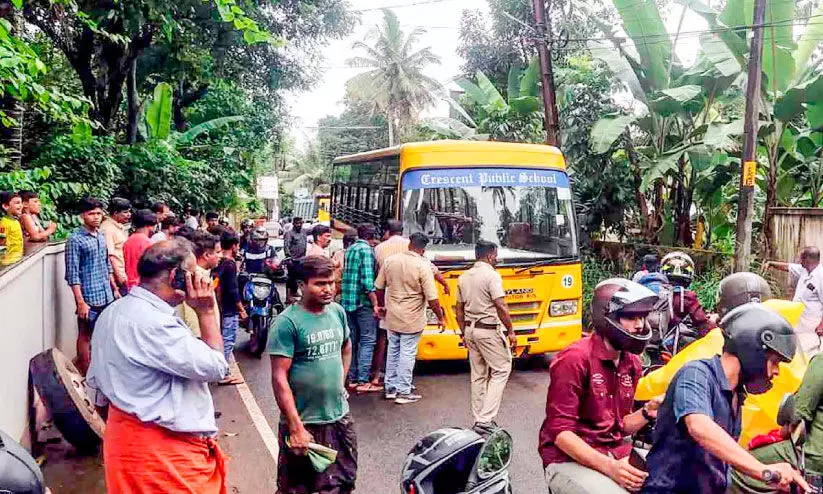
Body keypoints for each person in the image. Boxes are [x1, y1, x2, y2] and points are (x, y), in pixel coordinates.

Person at [86, 239, 229, 494]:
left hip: (126, 445)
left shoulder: (113, 311)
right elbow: (217, 367)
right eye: (193, 273)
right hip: (163, 456)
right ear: (176, 276)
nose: (200, 279)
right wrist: (206, 312)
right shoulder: (154, 323)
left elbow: (96, 387)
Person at [642, 304, 807, 494]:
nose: (776, 371)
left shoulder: (736, 395)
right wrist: (765, 472)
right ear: (754, 351)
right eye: (775, 362)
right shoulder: (696, 374)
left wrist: (773, 474)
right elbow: (699, 426)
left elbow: (722, 460)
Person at [540, 278, 661, 493]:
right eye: (631, 317)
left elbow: (618, 425)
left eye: (642, 317)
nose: (640, 325)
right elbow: (560, 433)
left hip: (612, 451)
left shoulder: (631, 362)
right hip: (566, 459)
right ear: (609, 317)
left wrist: (647, 411)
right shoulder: (575, 359)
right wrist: (611, 468)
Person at [269, 256, 357, 494]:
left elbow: (346, 346)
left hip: (339, 418)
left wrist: (340, 382)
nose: (328, 289)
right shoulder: (287, 323)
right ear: (301, 285)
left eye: (331, 282)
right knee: (297, 489)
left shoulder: (337, 312)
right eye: (320, 283)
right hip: (305, 422)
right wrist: (296, 427)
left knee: (343, 482)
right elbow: (279, 378)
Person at [375, 233, 444, 404]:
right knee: (407, 352)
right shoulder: (422, 265)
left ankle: (390, 388)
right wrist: (440, 318)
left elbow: (378, 287)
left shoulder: (391, 261)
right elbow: (432, 298)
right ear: (423, 249)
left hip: (392, 315)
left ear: (409, 245)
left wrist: (382, 305)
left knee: (393, 350)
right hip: (411, 318)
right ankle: (404, 391)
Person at [455, 240, 515, 435]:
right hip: (488, 330)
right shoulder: (491, 275)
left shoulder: (464, 277)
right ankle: (485, 419)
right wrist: (511, 331)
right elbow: (501, 305)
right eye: (495, 255)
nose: (497, 259)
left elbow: (459, 309)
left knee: (478, 375)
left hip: (470, 330)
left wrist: (463, 331)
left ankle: (479, 417)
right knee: (502, 369)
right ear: (490, 255)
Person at [65, 197, 119, 375]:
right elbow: (72, 274)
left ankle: (101, 369)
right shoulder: (75, 240)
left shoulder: (101, 236)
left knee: (104, 334)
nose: (96, 217)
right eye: (91, 213)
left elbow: (106, 264)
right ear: (82, 216)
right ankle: (87, 373)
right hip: (89, 297)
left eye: (98, 213)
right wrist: (80, 302)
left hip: (107, 295)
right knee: (85, 335)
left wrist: (115, 288)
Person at [341, 223, 382, 393]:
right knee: (368, 340)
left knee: (353, 341)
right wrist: (375, 304)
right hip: (362, 303)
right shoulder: (366, 251)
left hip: (348, 301)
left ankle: (351, 378)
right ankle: (363, 380)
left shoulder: (351, 249)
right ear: (372, 237)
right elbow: (367, 282)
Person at [766, 247, 823, 356]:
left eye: (801, 257)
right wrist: (771, 263)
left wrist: (821, 326)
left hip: (812, 322)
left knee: (809, 349)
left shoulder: (820, 277)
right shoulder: (804, 270)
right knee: (799, 347)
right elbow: (788, 267)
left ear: (807, 259)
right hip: (800, 318)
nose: (799, 260)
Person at [660, 251, 717, 337]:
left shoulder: (654, 291)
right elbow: (703, 325)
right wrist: (713, 322)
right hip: (673, 344)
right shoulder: (687, 297)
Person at [215, 231, 246, 385]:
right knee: (227, 341)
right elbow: (233, 290)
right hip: (228, 308)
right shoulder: (229, 264)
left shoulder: (219, 262)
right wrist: (241, 309)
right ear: (234, 246)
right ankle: (224, 374)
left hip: (220, 307)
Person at [177, 230, 221, 338]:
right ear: (206, 255)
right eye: (218, 252)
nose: (221, 256)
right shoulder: (196, 280)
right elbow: (194, 324)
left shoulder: (200, 276)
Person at [100, 198, 132, 294]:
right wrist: (120, 277)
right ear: (115, 213)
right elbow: (110, 256)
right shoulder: (107, 229)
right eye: (125, 212)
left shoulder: (118, 227)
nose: (129, 215)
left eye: (129, 212)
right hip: (117, 278)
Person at [123, 209, 157, 290]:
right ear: (149, 225)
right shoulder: (147, 243)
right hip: (141, 284)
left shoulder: (129, 240)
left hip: (128, 283)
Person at [0, 191, 24, 265]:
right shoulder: (4, 223)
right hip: (7, 263)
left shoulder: (15, 221)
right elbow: (1, 244)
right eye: (17, 203)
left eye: (21, 203)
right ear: (5, 206)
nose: (21, 206)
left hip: (17, 260)